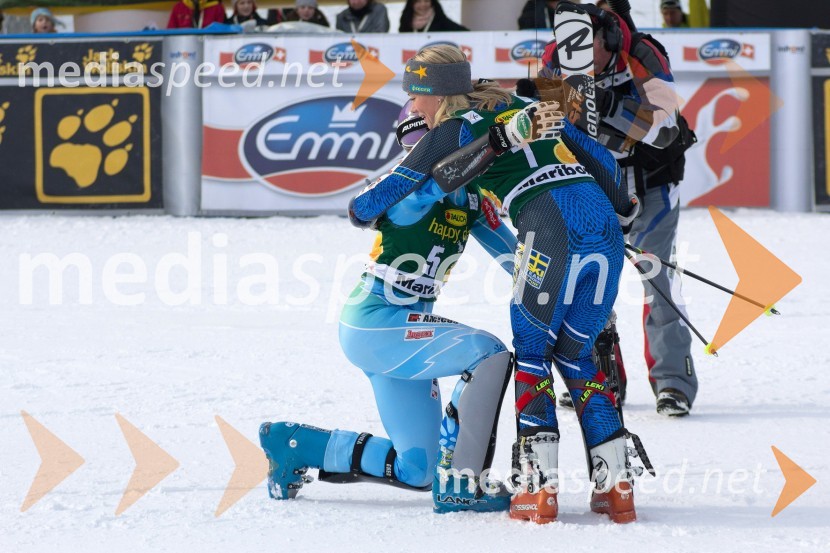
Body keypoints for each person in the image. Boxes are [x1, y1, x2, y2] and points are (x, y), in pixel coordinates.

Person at [349, 45, 642, 524]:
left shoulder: (452, 129)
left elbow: (367, 206)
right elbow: (603, 164)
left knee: (531, 353)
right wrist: (623, 215)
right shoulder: (529, 106)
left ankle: (537, 490)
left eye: (414, 95)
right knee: (577, 353)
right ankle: (616, 488)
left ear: (435, 92)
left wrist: (374, 204)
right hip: (604, 232)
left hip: (548, 226)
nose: (411, 105)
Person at [259, 102, 526, 513]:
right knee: (486, 352)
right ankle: (460, 482)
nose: (418, 164)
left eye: (427, 152)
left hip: (400, 330)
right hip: (376, 321)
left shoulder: (471, 199)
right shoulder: (406, 193)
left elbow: (516, 259)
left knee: (416, 467)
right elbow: (428, 188)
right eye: (415, 155)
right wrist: (487, 148)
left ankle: (293, 444)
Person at [541, 3, 698, 416]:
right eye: (566, 40)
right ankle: (600, 377)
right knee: (588, 281)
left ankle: (673, 383)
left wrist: (610, 107)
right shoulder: (553, 59)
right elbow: (552, 129)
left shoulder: (643, 54)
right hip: (595, 185)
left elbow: (665, 128)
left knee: (658, 277)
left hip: (651, 183)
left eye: (583, 39)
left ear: (607, 35)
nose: (572, 50)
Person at [399, 0, 467, 32]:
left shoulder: (440, 19)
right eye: (418, 1)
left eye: (426, 1)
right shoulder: (406, 20)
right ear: (412, 4)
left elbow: (463, 32)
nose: (423, 5)